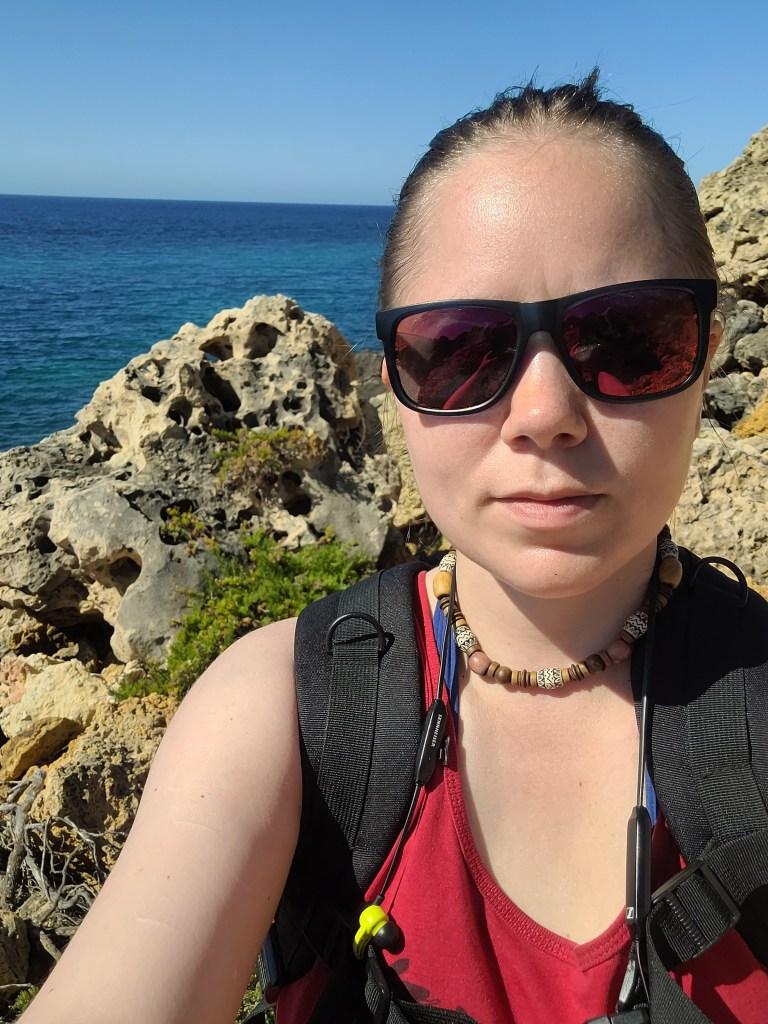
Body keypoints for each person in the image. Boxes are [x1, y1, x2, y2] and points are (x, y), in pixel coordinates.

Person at [19, 72, 768, 1024]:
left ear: (706, 352)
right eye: (460, 349)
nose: (544, 415)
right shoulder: (281, 711)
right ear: (393, 389)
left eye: (628, 336)